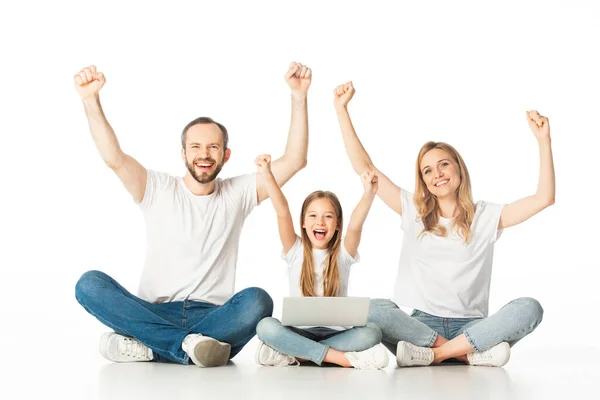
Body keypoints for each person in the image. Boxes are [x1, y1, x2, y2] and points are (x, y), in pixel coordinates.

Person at [73, 62, 312, 367]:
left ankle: (152, 347)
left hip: (212, 316)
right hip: (151, 311)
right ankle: (187, 346)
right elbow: (114, 158)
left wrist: (298, 96)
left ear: (225, 155)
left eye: (213, 147)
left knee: (258, 300)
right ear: (183, 154)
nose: (204, 154)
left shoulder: (238, 193)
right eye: (196, 146)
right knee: (89, 284)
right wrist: (90, 99)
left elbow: (294, 160)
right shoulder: (156, 187)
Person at [334, 81, 554, 367]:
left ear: (459, 169)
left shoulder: (486, 216)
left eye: (443, 164)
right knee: (372, 309)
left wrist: (543, 140)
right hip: (421, 329)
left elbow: (544, 198)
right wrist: (341, 110)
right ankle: (466, 355)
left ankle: (436, 356)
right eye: (428, 170)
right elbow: (366, 170)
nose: (436, 173)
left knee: (529, 308)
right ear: (424, 181)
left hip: (472, 329)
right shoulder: (413, 209)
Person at [252, 154, 389, 369]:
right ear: (304, 223)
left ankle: (295, 354)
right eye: (313, 216)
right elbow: (282, 211)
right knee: (265, 326)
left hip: (337, 333)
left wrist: (369, 193)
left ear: (337, 225)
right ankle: (339, 358)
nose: (320, 222)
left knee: (372, 332)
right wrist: (268, 176)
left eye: (328, 216)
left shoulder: (343, 253)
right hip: (298, 331)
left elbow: (355, 225)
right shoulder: (295, 250)